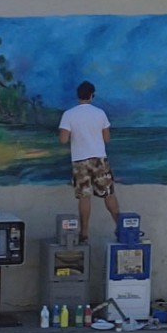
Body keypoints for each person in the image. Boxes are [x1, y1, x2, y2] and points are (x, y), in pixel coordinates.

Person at [58, 81, 120, 243]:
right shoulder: (100, 113)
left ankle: (84, 232)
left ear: (78, 95)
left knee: (84, 197)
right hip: (99, 158)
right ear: (92, 95)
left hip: (80, 160)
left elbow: (63, 139)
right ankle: (120, 226)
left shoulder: (69, 114)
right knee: (108, 193)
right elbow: (107, 138)